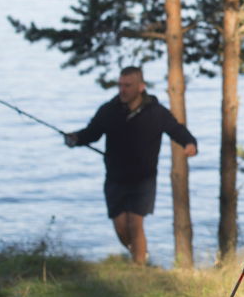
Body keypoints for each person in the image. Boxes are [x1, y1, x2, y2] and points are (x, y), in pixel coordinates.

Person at [65, 66, 197, 264]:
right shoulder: (109, 110)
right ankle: (140, 254)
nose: (123, 90)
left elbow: (175, 129)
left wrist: (189, 143)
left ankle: (139, 267)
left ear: (141, 87)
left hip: (143, 179)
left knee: (135, 224)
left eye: (128, 86)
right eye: (120, 85)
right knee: (120, 227)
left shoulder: (156, 112)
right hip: (115, 177)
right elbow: (92, 132)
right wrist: (75, 138)